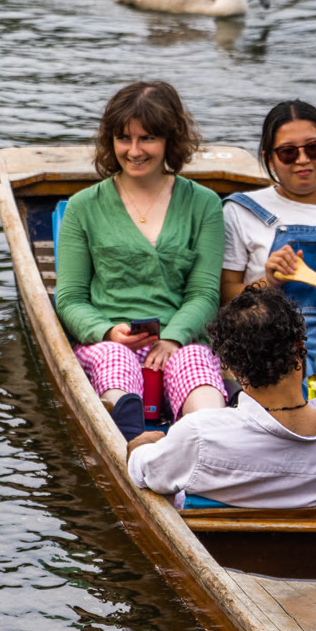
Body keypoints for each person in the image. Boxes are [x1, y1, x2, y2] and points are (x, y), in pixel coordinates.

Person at [55, 81, 227, 442]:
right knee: (114, 360)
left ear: (169, 139)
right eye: (123, 138)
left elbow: (204, 294)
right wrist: (107, 331)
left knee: (195, 362)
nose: (133, 151)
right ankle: (127, 438)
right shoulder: (83, 207)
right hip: (108, 341)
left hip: (180, 339)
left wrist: (174, 338)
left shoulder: (205, 204)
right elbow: (70, 299)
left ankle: (211, 435)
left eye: (147, 138)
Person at [128, 286, 316, 509]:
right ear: (300, 347)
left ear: (232, 367)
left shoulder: (200, 434)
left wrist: (139, 447)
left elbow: (145, 472)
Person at [221, 99, 316, 376]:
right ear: (269, 158)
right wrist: (268, 283)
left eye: (313, 148)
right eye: (288, 152)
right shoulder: (241, 211)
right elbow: (224, 297)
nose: (303, 159)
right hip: (276, 352)